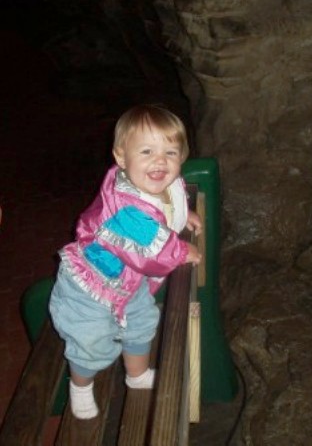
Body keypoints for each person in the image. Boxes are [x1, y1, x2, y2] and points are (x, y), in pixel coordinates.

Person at [49, 104, 202, 420]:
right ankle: (79, 385)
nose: (160, 161)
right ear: (121, 158)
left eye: (170, 152)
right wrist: (182, 251)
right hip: (91, 287)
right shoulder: (126, 208)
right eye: (146, 151)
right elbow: (153, 252)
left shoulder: (150, 180)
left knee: (143, 324)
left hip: (129, 285)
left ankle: (137, 375)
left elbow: (166, 204)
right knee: (90, 342)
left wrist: (184, 216)